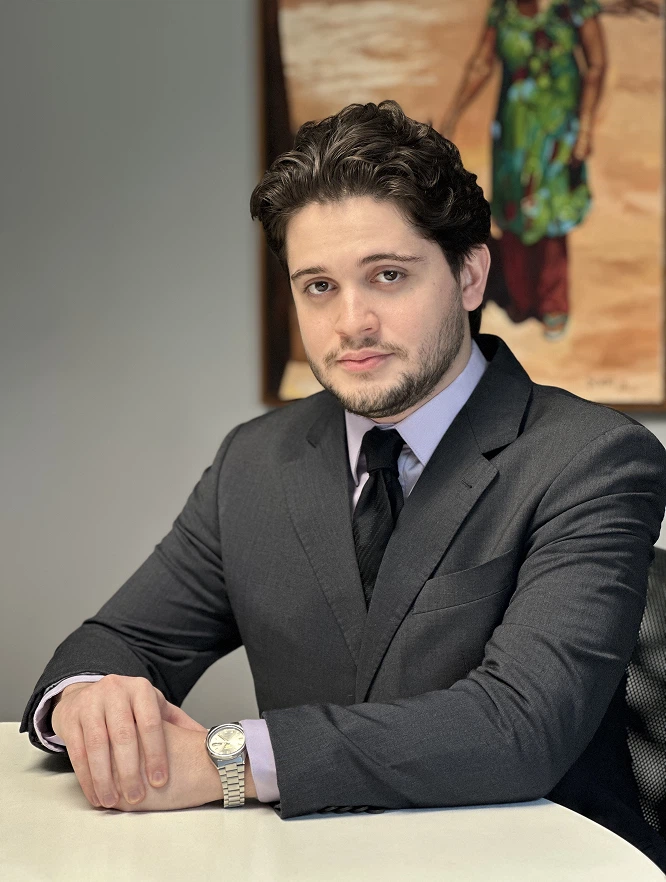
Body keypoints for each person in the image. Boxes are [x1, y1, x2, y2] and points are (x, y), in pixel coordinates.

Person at [21, 100, 666, 870]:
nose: (351, 321)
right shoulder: (254, 462)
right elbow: (121, 641)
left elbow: (519, 727)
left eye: (387, 276)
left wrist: (228, 761)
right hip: (312, 864)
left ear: (469, 275)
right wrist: (91, 698)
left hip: (541, 863)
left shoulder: (593, 458)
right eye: (318, 286)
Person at [439, 0, 607, 339]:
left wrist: (586, 129)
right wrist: (452, 116)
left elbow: (597, 65)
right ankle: (521, 296)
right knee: (514, 210)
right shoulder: (504, 10)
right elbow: (482, 64)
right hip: (514, 133)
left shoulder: (574, 6)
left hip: (558, 133)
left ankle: (553, 301)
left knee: (551, 213)